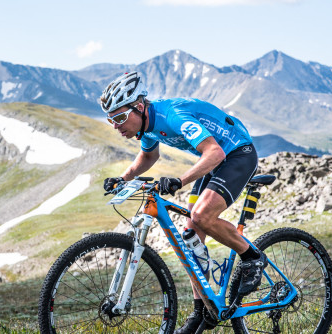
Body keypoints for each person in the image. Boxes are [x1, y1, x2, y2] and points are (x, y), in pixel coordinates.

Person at [101, 71, 268, 333]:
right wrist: (121, 179)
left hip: (236, 153)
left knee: (201, 215)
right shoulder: (147, 126)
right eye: (111, 120)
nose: (117, 125)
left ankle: (252, 257)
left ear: (140, 107)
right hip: (217, 161)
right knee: (190, 233)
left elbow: (215, 152)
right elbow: (147, 157)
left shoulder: (172, 116)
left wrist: (179, 180)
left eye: (121, 117)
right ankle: (202, 312)